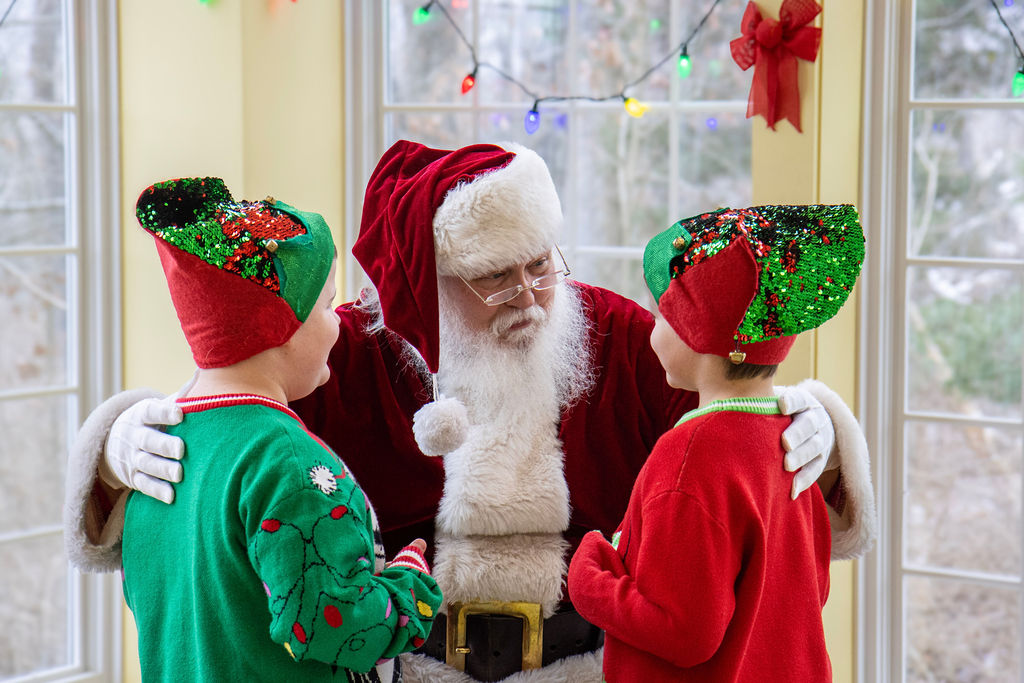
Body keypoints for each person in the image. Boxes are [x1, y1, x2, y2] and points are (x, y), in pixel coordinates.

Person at [64, 141, 876, 683]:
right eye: (494, 276)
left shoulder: (616, 339)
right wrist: (117, 440)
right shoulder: (345, 358)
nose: (530, 294)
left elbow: (735, 421)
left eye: (540, 264)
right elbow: (228, 409)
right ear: (427, 287)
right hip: (411, 667)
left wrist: (816, 425)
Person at [115, 177, 442, 683]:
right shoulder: (288, 462)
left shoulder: (157, 459)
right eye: (328, 306)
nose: (339, 325)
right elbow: (336, 627)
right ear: (282, 329)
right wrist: (410, 586)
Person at [568, 205, 871, 681]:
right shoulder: (791, 441)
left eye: (663, 316)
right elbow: (811, 585)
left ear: (698, 335)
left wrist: (589, 574)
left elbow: (683, 632)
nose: (652, 329)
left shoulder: (688, 457)